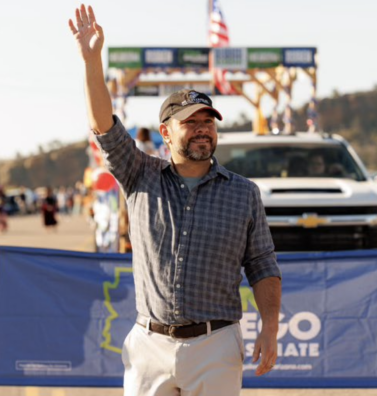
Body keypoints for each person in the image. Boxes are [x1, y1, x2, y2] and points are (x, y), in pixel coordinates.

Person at [69, 5, 281, 395]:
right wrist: (91, 60)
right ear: (166, 133)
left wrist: (270, 328)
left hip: (216, 345)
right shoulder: (139, 174)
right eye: (191, 123)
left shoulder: (244, 192)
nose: (202, 130)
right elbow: (104, 126)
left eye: (208, 122)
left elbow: (263, 265)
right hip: (149, 345)